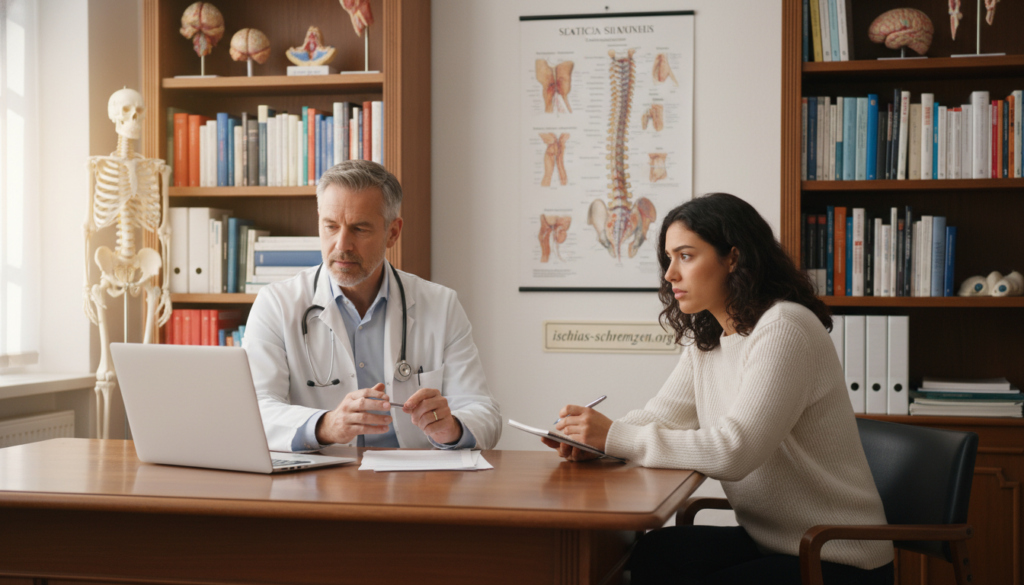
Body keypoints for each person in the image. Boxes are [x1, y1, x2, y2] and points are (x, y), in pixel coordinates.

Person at [542, 193, 894, 584]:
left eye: (686, 256)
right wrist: (594, 442)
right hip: (772, 541)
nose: (669, 274)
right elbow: (662, 416)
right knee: (654, 556)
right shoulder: (710, 337)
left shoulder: (785, 327)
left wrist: (617, 438)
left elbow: (735, 450)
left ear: (733, 258)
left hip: (835, 554)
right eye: (669, 258)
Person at [244, 160, 501, 452]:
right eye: (330, 226)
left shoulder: (441, 305)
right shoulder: (276, 304)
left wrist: (452, 428)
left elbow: (484, 413)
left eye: (359, 229)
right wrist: (327, 425)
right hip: (320, 483)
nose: (342, 244)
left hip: (413, 483)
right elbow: (254, 413)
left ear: (393, 232)